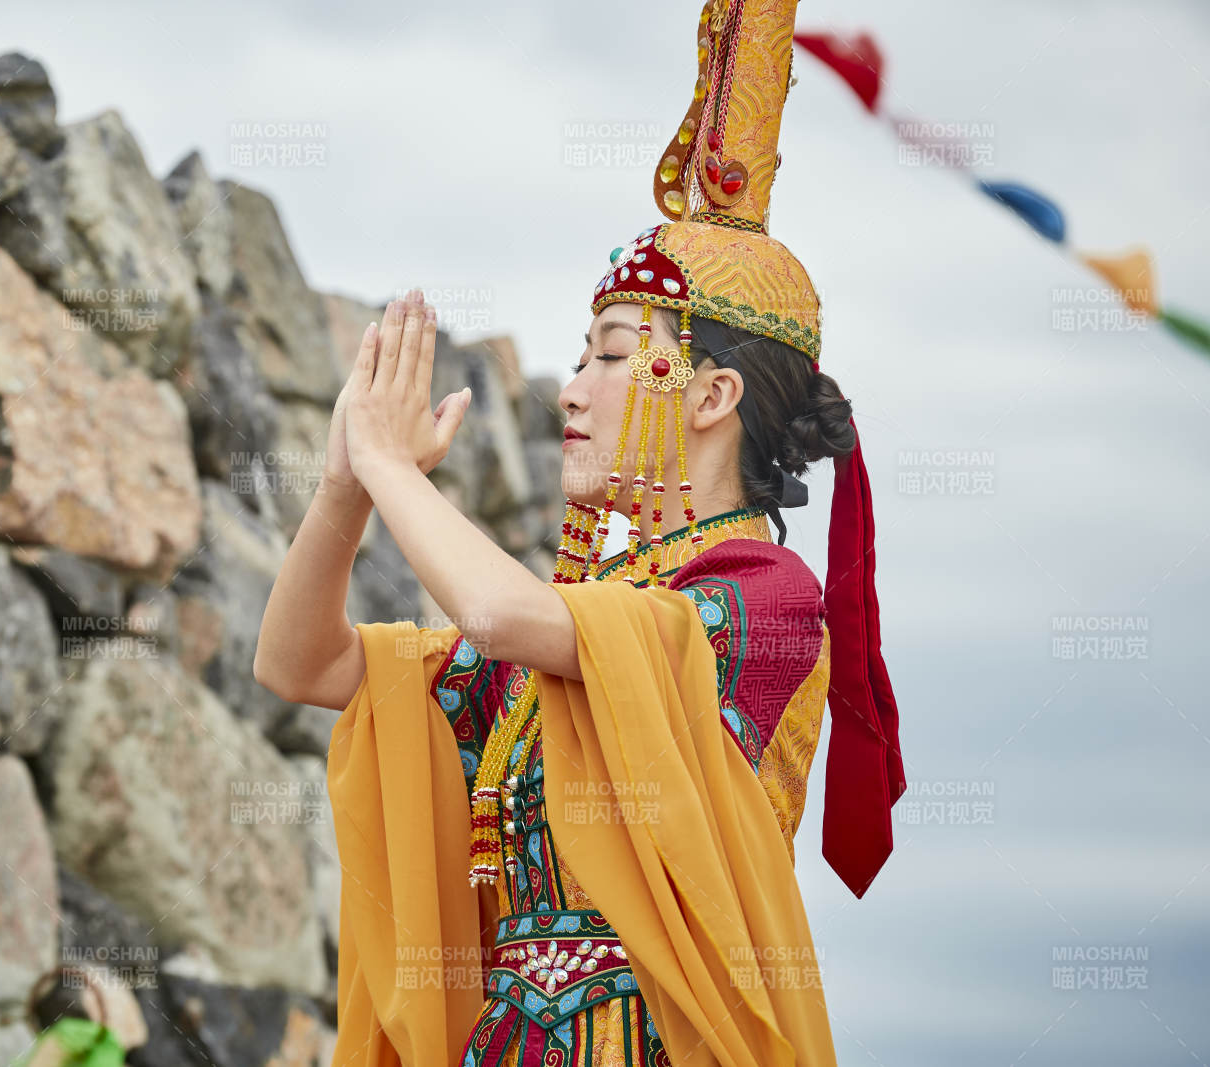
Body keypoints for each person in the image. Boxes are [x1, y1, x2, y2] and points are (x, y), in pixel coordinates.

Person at [253, 1, 905, 1063]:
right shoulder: (577, 634)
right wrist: (342, 489)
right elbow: (297, 660)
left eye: (608, 353)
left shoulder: (763, 599)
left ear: (709, 394)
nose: (572, 389)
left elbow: (505, 611)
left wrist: (387, 461)